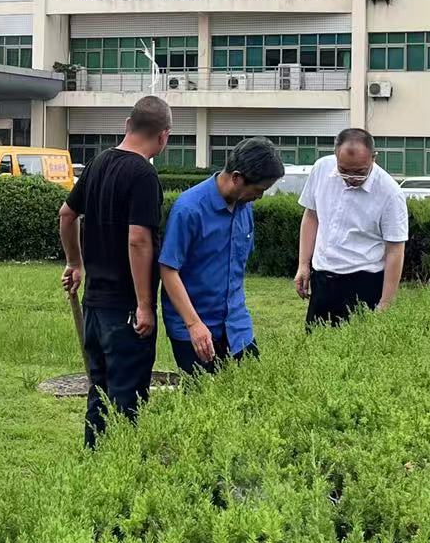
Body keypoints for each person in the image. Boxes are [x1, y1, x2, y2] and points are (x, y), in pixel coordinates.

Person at [59, 95, 171, 448]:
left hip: (94, 305)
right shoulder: (143, 175)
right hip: (125, 311)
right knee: (128, 400)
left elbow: (66, 214)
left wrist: (74, 262)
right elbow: (138, 240)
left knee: (100, 392)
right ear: (164, 136)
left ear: (127, 125)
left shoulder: (98, 163)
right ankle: (121, 468)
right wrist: (144, 305)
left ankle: (94, 461)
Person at [159, 137, 286, 374]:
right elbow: (168, 269)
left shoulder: (244, 207)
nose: (259, 197)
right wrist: (194, 325)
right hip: (194, 326)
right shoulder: (189, 209)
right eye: (258, 190)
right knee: (203, 394)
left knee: (254, 386)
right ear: (237, 177)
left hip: (236, 324)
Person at [294, 127, 409, 327]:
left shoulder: (390, 193)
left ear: (374, 158)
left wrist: (385, 303)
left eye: (360, 172)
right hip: (323, 278)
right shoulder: (321, 168)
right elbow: (312, 216)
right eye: (344, 171)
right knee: (315, 342)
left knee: (357, 344)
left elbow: (395, 250)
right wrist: (303, 264)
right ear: (335, 156)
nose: (351, 178)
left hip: (363, 283)